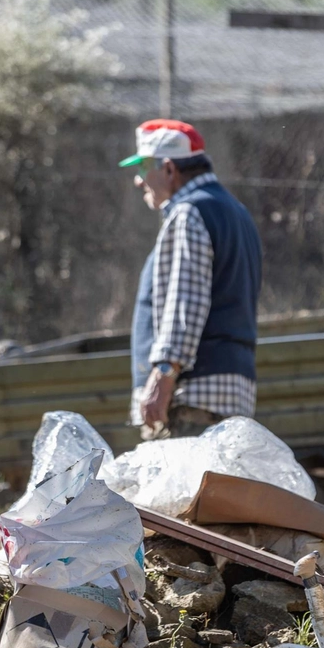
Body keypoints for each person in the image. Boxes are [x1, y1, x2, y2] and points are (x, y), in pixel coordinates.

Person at [119, 119, 262, 440]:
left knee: (185, 490)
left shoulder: (188, 212)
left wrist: (164, 373)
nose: (138, 181)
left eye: (143, 168)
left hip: (190, 394)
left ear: (169, 169)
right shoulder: (234, 211)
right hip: (227, 389)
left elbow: (187, 300)